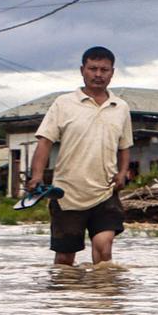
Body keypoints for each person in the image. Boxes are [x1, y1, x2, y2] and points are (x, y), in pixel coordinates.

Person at [25, 46, 133, 266]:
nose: (98, 74)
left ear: (112, 73)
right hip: (67, 194)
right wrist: (36, 176)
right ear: (82, 70)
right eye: (93, 68)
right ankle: (68, 300)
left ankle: (102, 298)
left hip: (105, 192)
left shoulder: (120, 107)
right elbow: (45, 141)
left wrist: (122, 173)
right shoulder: (63, 103)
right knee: (65, 259)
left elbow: (124, 147)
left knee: (104, 248)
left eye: (104, 69)